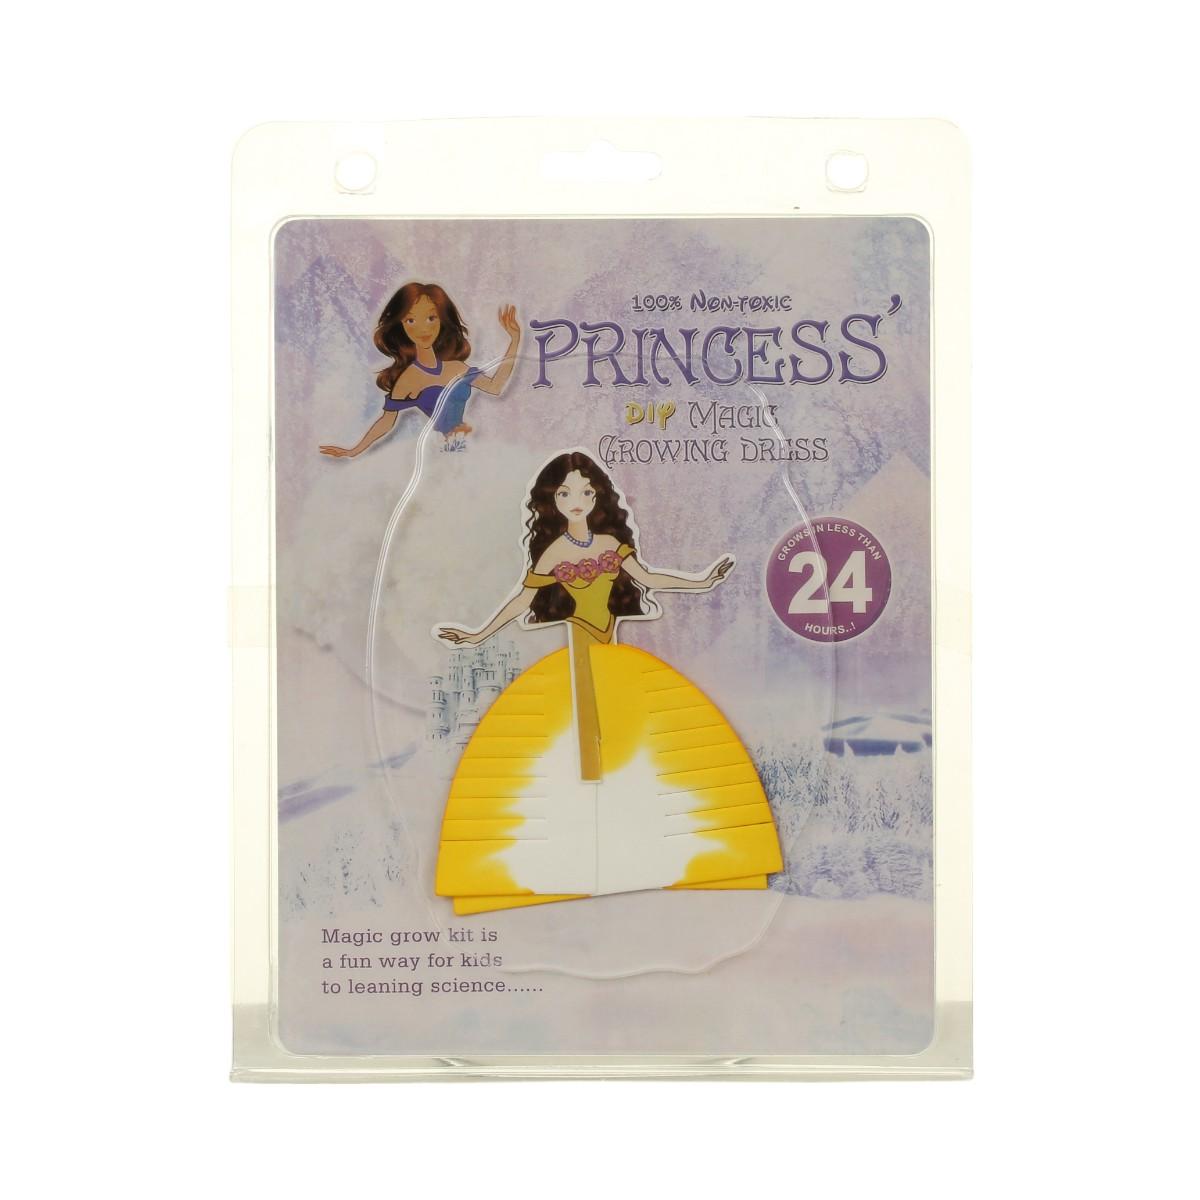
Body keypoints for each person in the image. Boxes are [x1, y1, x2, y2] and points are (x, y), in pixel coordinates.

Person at [434, 450, 782, 914]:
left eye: (584, 491)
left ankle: (636, 824)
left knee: (623, 731)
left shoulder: (609, 543)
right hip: (579, 649)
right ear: (551, 501)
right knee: (582, 734)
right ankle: (586, 828)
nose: (575, 500)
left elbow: (649, 578)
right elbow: (523, 601)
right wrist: (478, 634)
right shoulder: (554, 552)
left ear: (597, 496)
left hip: (611, 649)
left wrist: (701, 582)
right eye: (564, 493)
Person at [319, 282, 520, 456]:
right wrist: (354, 450)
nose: (423, 329)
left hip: (470, 444)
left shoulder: (457, 367)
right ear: (401, 326)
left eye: (431, 318)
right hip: (444, 450)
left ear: (441, 320)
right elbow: (386, 422)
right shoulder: (408, 379)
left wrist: (515, 340)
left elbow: (495, 386)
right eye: (411, 320)